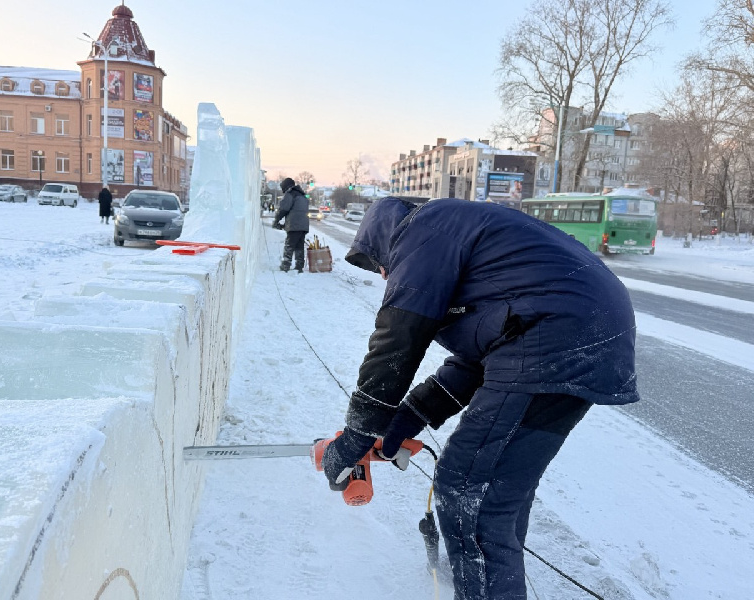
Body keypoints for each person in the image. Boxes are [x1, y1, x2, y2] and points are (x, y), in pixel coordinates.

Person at [322, 196, 639, 599]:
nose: (385, 275)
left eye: (379, 265)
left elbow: (397, 339)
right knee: (499, 488)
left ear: (385, 239)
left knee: (469, 489)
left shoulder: (422, 230)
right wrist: (406, 419)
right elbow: (479, 360)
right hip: (589, 335)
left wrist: (356, 435)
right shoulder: (459, 236)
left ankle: (485, 584)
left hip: (553, 336)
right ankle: (487, 580)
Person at [272, 178, 309, 273]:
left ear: (286, 186)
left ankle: (285, 265)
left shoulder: (290, 194)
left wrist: (276, 221)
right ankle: (299, 266)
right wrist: (286, 224)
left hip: (294, 226)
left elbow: (283, 209)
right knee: (299, 246)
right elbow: (297, 212)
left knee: (289, 245)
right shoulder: (302, 195)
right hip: (304, 226)